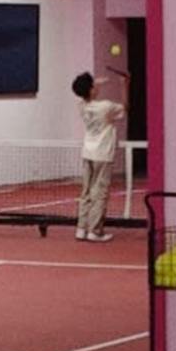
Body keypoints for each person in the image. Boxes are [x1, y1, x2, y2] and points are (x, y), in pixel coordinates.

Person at [70, 63, 129, 242]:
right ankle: (95, 231)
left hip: (88, 153)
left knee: (86, 192)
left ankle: (81, 228)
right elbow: (125, 107)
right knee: (100, 193)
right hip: (103, 154)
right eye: (94, 85)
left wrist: (96, 83)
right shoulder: (105, 107)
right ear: (91, 89)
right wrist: (124, 85)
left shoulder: (81, 105)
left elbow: (84, 93)